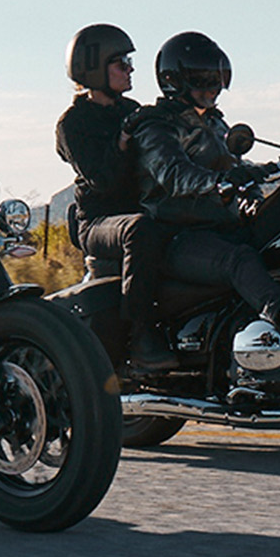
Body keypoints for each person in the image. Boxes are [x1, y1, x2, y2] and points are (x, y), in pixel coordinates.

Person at [124, 31, 280, 355]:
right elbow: (174, 174)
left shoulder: (214, 123)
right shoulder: (155, 126)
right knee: (238, 260)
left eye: (217, 78)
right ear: (174, 80)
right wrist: (218, 182)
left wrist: (265, 171)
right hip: (177, 235)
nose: (213, 87)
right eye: (203, 78)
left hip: (221, 223)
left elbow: (232, 164)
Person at [56, 23, 176, 370]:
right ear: (94, 68)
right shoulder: (74, 123)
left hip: (142, 212)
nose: (130, 69)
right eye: (121, 63)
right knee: (141, 229)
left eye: (128, 62)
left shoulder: (132, 109)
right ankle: (141, 337)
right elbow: (102, 181)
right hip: (97, 223)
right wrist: (123, 138)